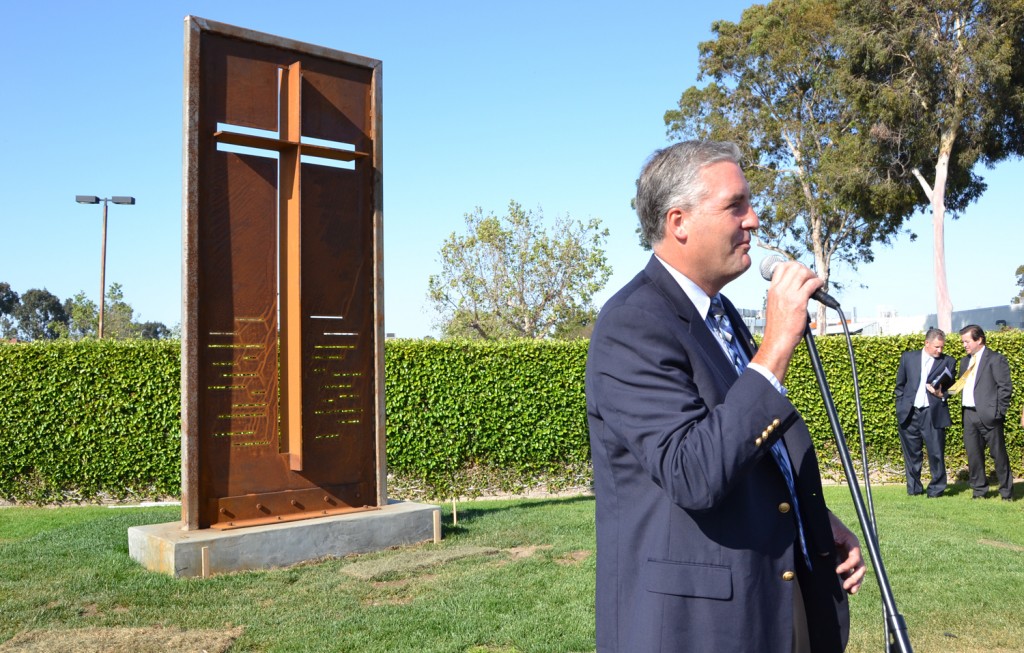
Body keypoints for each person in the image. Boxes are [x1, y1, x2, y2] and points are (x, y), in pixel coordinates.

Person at [586, 140, 865, 653]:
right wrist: (777, 344)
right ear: (679, 222)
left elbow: (755, 453)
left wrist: (813, 523)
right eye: (735, 205)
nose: (754, 220)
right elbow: (692, 472)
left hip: (776, 602)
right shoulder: (632, 323)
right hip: (698, 628)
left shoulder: (721, 317)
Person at [893, 328, 956, 497]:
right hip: (909, 413)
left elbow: (952, 389)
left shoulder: (948, 362)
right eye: (937, 347)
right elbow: (900, 385)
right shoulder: (908, 358)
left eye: (942, 347)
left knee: (936, 453)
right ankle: (914, 489)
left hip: (932, 413)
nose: (940, 350)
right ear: (926, 343)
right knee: (912, 454)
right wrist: (901, 404)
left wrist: (941, 395)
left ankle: (936, 490)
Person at [954, 325, 1014, 501]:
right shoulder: (965, 361)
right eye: (963, 342)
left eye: (967, 341)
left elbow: (1005, 388)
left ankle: (1006, 493)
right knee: (974, 456)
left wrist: (998, 413)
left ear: (979, 339)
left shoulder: (995, 359)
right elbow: (960, 386)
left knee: (999, 455)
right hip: (969, 415)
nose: (964, 345)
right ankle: (979, 491)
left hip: (990, 415)